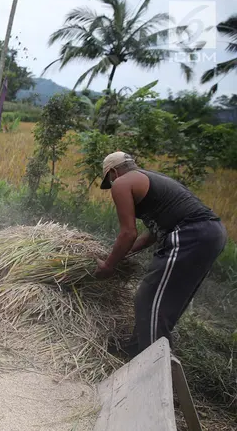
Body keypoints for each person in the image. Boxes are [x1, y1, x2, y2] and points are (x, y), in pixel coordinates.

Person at [93, 152, 227, 356]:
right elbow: (151, 235)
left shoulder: (122, 183)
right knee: (162, 302)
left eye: (109, 179)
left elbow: (128, 232)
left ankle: (152, 364)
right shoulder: (149, 179)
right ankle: (135, 352)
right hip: (210, 234)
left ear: (113, 172)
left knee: (149, 300)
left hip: (191, 234)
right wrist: (123, 255)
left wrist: (109, 265)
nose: (111, 184)